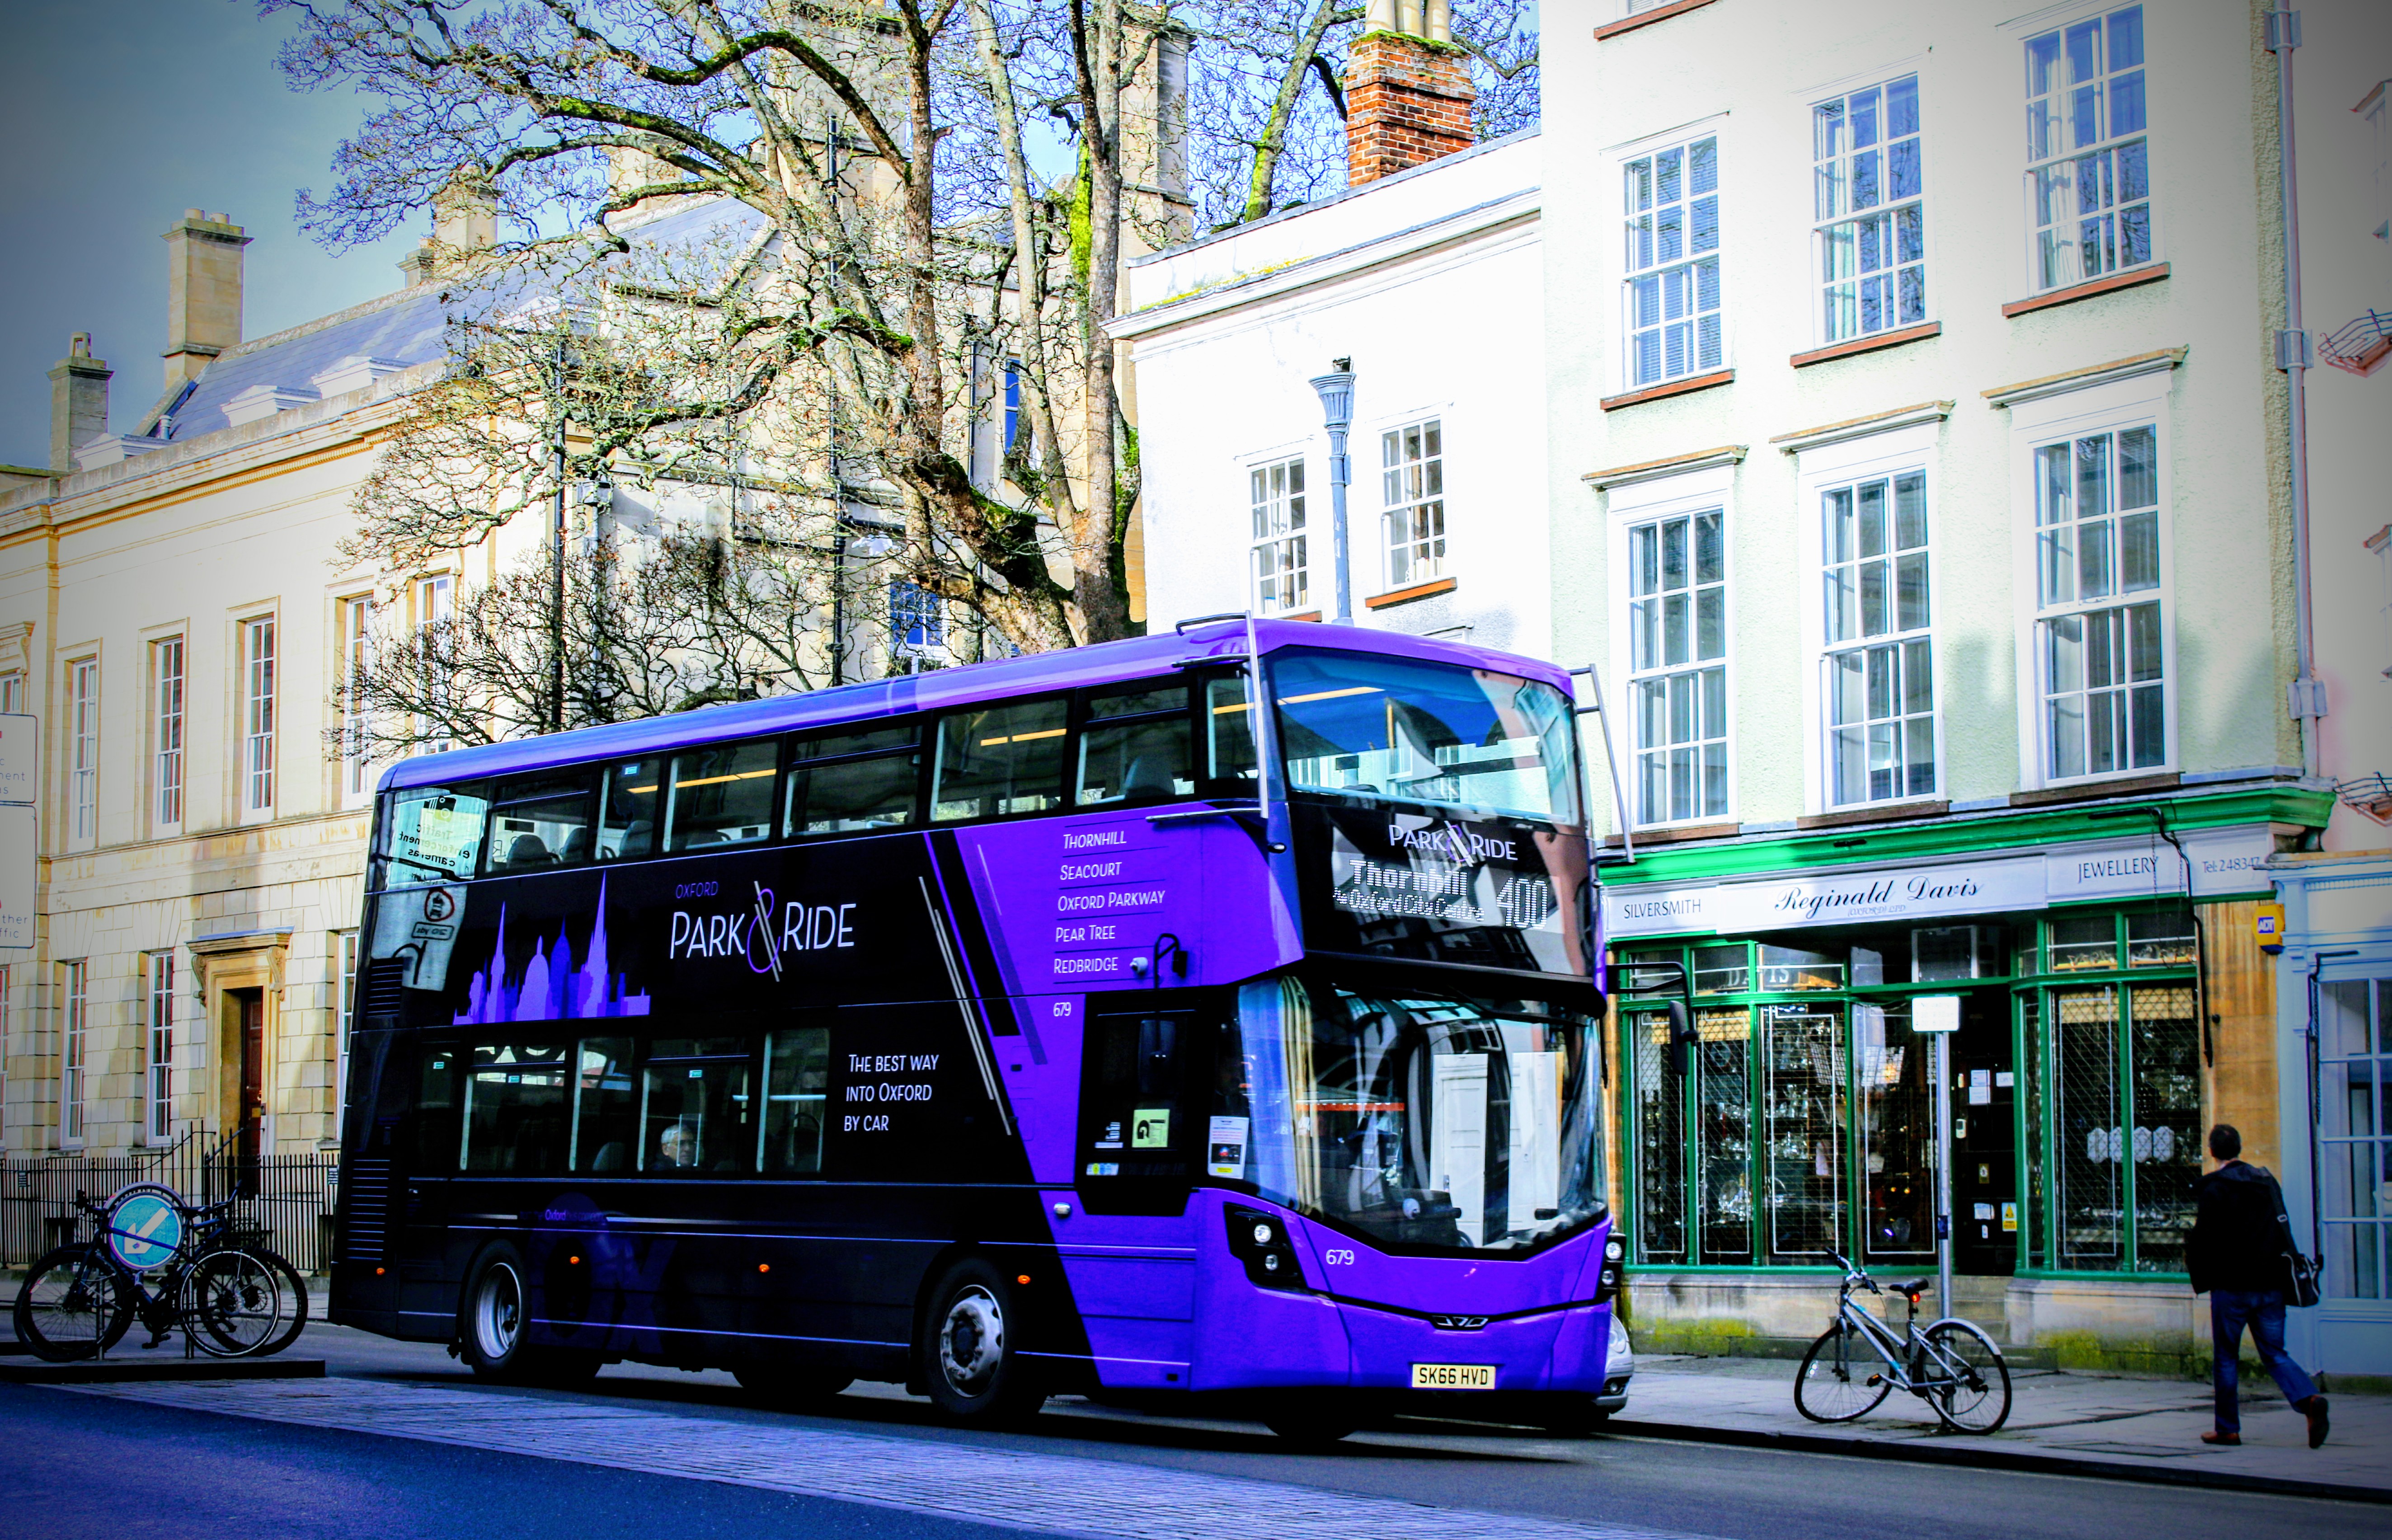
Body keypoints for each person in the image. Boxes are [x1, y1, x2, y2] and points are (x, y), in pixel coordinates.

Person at [2186, 1124, 2328, 1448]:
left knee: (2225, 1358)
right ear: (2239, 1147)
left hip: (2231, 1286)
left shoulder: (2214, 1189)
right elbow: (2282, 1228)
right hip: (2270, 1283)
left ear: (2211, 1151)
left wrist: (2200, 1277)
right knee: (2275, 1353)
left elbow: (2203, 1240)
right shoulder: (2266, 1183)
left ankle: (2228, 1429)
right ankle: (2307, 1399)